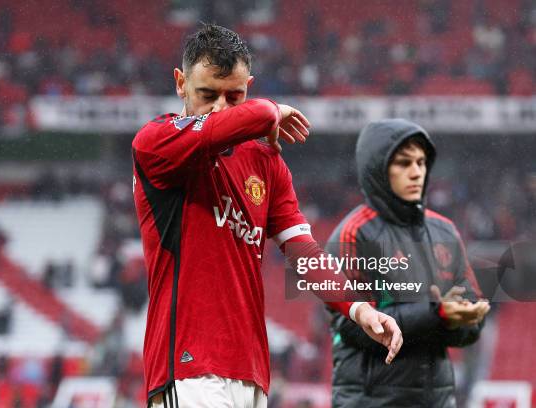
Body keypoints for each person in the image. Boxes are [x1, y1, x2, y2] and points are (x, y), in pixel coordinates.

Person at [132, 24, 402, 407]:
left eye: (234, 95)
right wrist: (267, 110)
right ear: (180, 83)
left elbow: (302, 250)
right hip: (188, 365)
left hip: (251, 371)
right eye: (207, 94)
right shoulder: (156, 144)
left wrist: (357, 309)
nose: (221, 107)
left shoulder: (265, 162)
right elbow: (232, 124)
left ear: (249, 87)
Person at [325, 118, 490, 407]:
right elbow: (351, 326)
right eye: (403, 163)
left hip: (436, 400)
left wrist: (461, 317)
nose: (416, 173)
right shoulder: (354, 233)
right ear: (378, 167)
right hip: (370, 400)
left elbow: (472, 323)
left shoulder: (445, 231)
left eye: (422, 162)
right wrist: (435, 314)